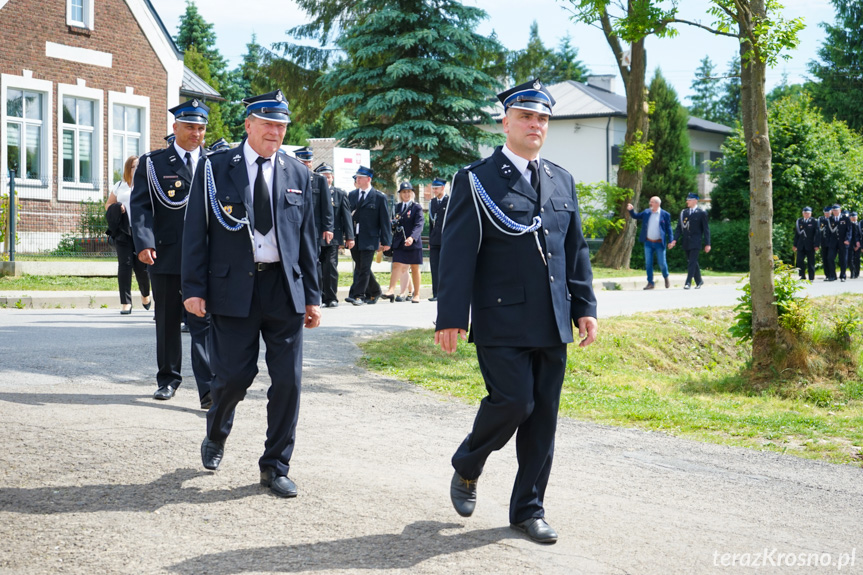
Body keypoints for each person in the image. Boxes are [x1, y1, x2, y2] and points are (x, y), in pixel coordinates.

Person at [434, 79, 598, 545]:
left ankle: (528, 509)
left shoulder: (561, 179)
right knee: (514, 402)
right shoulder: (477, 179)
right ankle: (468, 463)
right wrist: (450, 315)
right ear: (505, 121)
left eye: (543, 118)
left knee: (543, 416)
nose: (536, 125)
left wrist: (584, 306)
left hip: (552, 319)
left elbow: (575, 249)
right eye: (526, 116)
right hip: (500, 318)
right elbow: (458, 254)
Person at [181, 89, 321, 498]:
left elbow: (307, 239)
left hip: (284, 288)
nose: (276, 131)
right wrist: (193, 288)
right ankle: (217, 431)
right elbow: (195, 231)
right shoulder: (215, 168)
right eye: (268, 123)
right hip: (233, 287)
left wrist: (312, 296)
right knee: (234, 378)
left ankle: (275, 465)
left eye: (282, 125)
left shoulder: (299, 173)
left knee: (289, 383)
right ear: (248, 124)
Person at [130, 99, 213, 408]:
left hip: (205, 258)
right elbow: (140, 207)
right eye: (190, 127)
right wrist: (144, 242)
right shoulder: (154, 164)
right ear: (175, 127)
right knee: (166, 321)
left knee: (203, 320)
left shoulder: (215, 162)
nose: (196, 133)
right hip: (165, 254)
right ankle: (168, 379)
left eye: (201, 128)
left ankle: (207, 388)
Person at [105, 155, 151, 314]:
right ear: (128, 168)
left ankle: (145, 294)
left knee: (141, 268)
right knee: (124, 266)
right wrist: (118, 207)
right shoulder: (119, 186)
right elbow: (108, 204)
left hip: (140, 231)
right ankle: (125, 302)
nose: (136, 169)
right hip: (123, 231)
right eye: (133, 166)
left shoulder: (145, 186)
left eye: (139, 166)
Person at [346, 166, 392, 306]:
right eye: (357, 177)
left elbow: (384, 221)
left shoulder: (379, 197)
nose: (357, 179)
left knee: (364, 267)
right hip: (355, 237)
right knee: (360, 266)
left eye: (360, 177)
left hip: (370, 237)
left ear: (368, 179)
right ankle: (375, 290)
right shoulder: (352, 195)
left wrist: (386, 241)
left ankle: (358, 295)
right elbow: (347, 217)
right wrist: (346, 236)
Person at [294, 147, 335, 291]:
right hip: (293, 228)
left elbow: (327, 207)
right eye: (303, 161)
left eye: (309, 161)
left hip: (314, 230)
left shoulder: (320, 180)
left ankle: (315, 295)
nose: (307, 164)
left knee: (313, 261)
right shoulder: (289, 178)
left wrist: (328, 228)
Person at [314, 163, 355, 307]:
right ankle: (317, 297)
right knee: (316, 268)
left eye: (329, 177)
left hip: (333, 237)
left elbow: (346, 217)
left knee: (330, 267)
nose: (327, 179)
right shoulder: (313, 192)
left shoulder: (339, 193)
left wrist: (350, 237)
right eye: (324, 177)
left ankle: (331, 298)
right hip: (316, 237)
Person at [383, 182, 424, 303]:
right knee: (396, 264)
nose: (406, 194)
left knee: (415, 267)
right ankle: (391, 290)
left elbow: (419, 224)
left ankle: (416, 294)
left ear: (412, 193)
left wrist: (412, 237)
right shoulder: (397, 207)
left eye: (408, 192)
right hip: (400, 242)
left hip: (413, 242)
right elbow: (392, 223)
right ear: (400, 194)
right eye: (404, 192)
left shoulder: (416, 207)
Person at [627, 196, 673, 290]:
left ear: (657, 203)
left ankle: (665, 276)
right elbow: (636, 216)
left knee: (662, 263)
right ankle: (650, 283)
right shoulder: (646, 212)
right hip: (648, 242)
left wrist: (671, 241)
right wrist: (631, 210)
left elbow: (669, 229)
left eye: (652, 202)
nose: (650, 203)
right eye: (650, 202)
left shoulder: (665, 214)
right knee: (648, 263)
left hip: (660, 243)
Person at [669, 192, 711, 289]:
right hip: (686, 241)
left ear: (695, 201)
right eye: (687, 199)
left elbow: (706, 229)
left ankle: (688, 282)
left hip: (696, 241)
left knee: (692, 261)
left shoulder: (701, 213)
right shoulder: (684, 213)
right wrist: (674, 240)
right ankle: (699, 281)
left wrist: (707, 243)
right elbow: (679, 228)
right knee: (692, 261)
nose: (687, 201)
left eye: (689, 200)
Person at [427, 177, 448, 301]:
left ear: (443, 188)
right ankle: (436, 293)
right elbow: (431, 223)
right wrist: (430, 240)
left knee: (445, 267)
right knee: (434, 267)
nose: (434, 190)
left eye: (436, 188)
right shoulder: (432, 203)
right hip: (435, 239)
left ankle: (444, 293)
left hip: (446, 239)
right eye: (433, 188)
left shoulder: (450, 201)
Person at [792, 206, 820, 281]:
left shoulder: (814, 221)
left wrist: (816, 245)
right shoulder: (799, 221)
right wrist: (795, 245)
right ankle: (802, 276)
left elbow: (817, 234)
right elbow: (797, 234)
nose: (806, 214)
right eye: (805, 213)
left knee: (811, 261)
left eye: (808, 213)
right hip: (801, 245)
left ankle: (811, 277)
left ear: (810, 214)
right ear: (803, 214)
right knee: (799, 261)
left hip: (810, 245)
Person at [823, 204, 846, 282]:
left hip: (843, 242)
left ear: (840, 210)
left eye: (836, 210)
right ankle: (833, 275)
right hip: (833, 242)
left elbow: (849, 230)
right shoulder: (830, 219)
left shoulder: (845, 218)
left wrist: (847, 239)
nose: (835, 212)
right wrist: (828, 242)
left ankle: (842, 275)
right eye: (834, 210)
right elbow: (827, 232)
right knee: (830, 258)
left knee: (842, 259)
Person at [849, 212, 861, 279]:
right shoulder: (849, 225)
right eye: (852, 216)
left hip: (858, 244)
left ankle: (857, 273)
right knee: (850, 259)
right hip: (851, 244)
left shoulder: (859, 224)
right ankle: (852, 272)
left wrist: (858, 244)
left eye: (855, 216)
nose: (853, 218)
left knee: (857, 259)